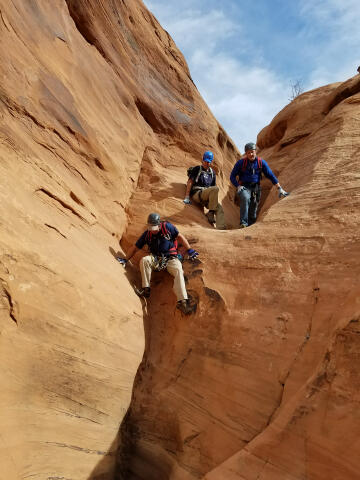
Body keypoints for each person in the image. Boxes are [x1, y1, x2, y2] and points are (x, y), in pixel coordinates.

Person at [116, 213, 198, 314]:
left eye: (154, 227)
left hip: (171, 258)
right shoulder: (147, 234)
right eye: (150, 227)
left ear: (159, 224)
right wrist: (125, 259)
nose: (152, 230)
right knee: (145, 260)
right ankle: (146, 290)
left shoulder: (168, 227)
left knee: (178, 270)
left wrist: (189, 250)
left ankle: (182, 302)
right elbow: (135, 247)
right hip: (156, 258)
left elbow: (179, 236)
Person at [230, 142, 288, 228]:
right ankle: (243, 223)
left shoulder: (261, 163)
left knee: (253, 210)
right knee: (245, 198)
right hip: (244, 187)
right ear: (246, 153)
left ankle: (250, 226)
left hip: (256, 188)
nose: (251, 154)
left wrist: (279, 188)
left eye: (252, 152)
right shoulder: (241, 163)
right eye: (248, 152)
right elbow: (232, 176)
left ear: (255, 152)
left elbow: (270, 175)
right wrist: (238, 186)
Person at [183, 151, 226, 229]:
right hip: (197, 194)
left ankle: (221, 229)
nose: (207, 163)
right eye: (205, 161)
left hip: (207, 197)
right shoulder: (197, 169)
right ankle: (211, 213)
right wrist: (187, 196)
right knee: (215, 189)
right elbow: (190, 182)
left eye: (209, 162)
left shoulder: (212, 173)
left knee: (219, 208)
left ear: (211, 162)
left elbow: (213, 189)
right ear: (202, 160)